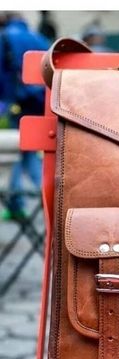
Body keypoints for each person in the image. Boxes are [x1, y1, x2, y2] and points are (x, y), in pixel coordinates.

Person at [0, 12, 49, 220]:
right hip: (40, 102)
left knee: (16, 155)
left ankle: (16, 204)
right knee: (31, 151)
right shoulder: (38, 37)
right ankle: (48, 199)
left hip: (17, 104)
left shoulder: (4, 37)